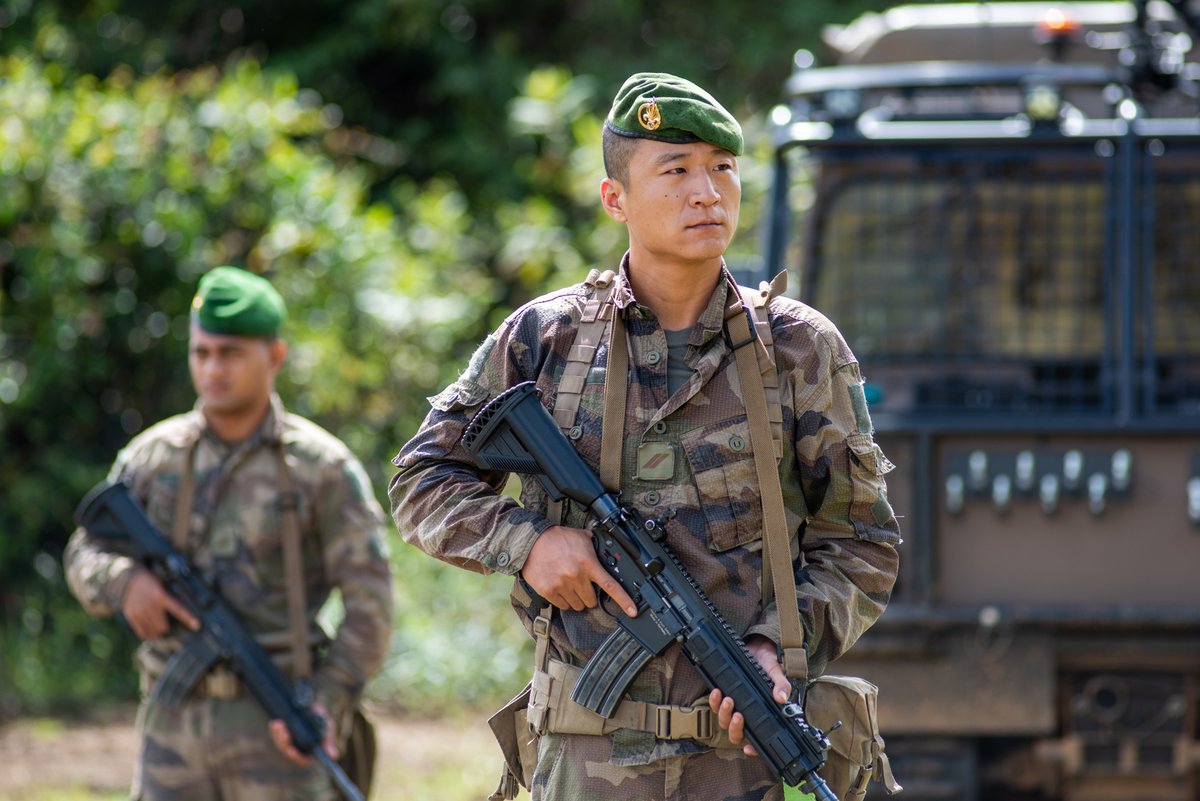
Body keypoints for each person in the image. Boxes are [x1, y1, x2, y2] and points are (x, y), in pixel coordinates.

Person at [390, 72, 900, 801]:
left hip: (739, 758)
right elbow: (420, 478)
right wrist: (527, 543)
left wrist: (778, 645)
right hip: (587, 755)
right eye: (677, 169)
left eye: (724, 168)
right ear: (615, 198)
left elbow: (861, 538)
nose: (707, 192)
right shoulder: (547, 338)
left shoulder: (797, 350)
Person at [65, 266, 395, 801]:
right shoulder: (154, 457)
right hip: (172, 727)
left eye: (231, 353)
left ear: (275, 356)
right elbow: (84, 548)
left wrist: (328, 703)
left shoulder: (320, 467)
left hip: (278, 725)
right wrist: (124, 582)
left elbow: (371, 603)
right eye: (202, 353)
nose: (213, 368)